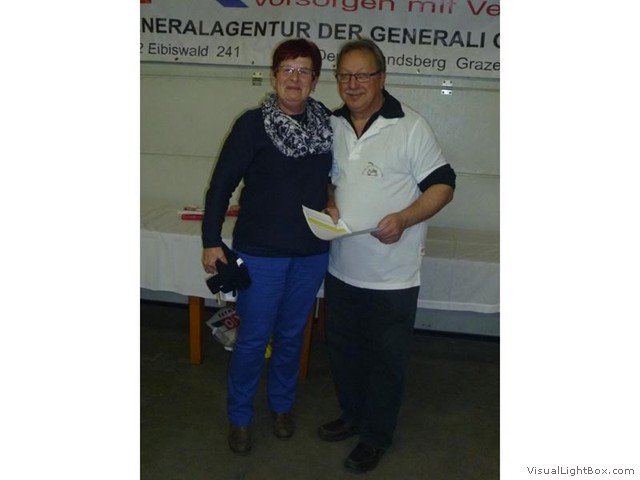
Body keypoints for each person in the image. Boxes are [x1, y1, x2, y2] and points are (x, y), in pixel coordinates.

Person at [318, 38, 456, 473]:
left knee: (386, 360)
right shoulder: (332, 124)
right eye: (345, 75)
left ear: (382, 78)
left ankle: (376, 436)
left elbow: (443, 185)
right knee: (343, 351)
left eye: (362, 75)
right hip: (342, 267)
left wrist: (404, 218)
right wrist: (329, 201)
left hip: (392, 275)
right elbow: (328, 179)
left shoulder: (410, 126)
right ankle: (353, 416)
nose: (352, 84)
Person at [201, 38, 333, 456]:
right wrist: (211, 239)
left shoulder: (328, 125)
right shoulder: (252, 125)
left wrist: (332, 200)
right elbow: (221, 185)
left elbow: (334, 176)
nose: (295, 78)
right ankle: (240, 416)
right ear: (275, 76)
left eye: (304, 70)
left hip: (311, 253)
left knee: (292, 336)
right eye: (287, 69)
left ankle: (281, 406)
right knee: (253, 339)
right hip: (261, 253)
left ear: (315, 79)